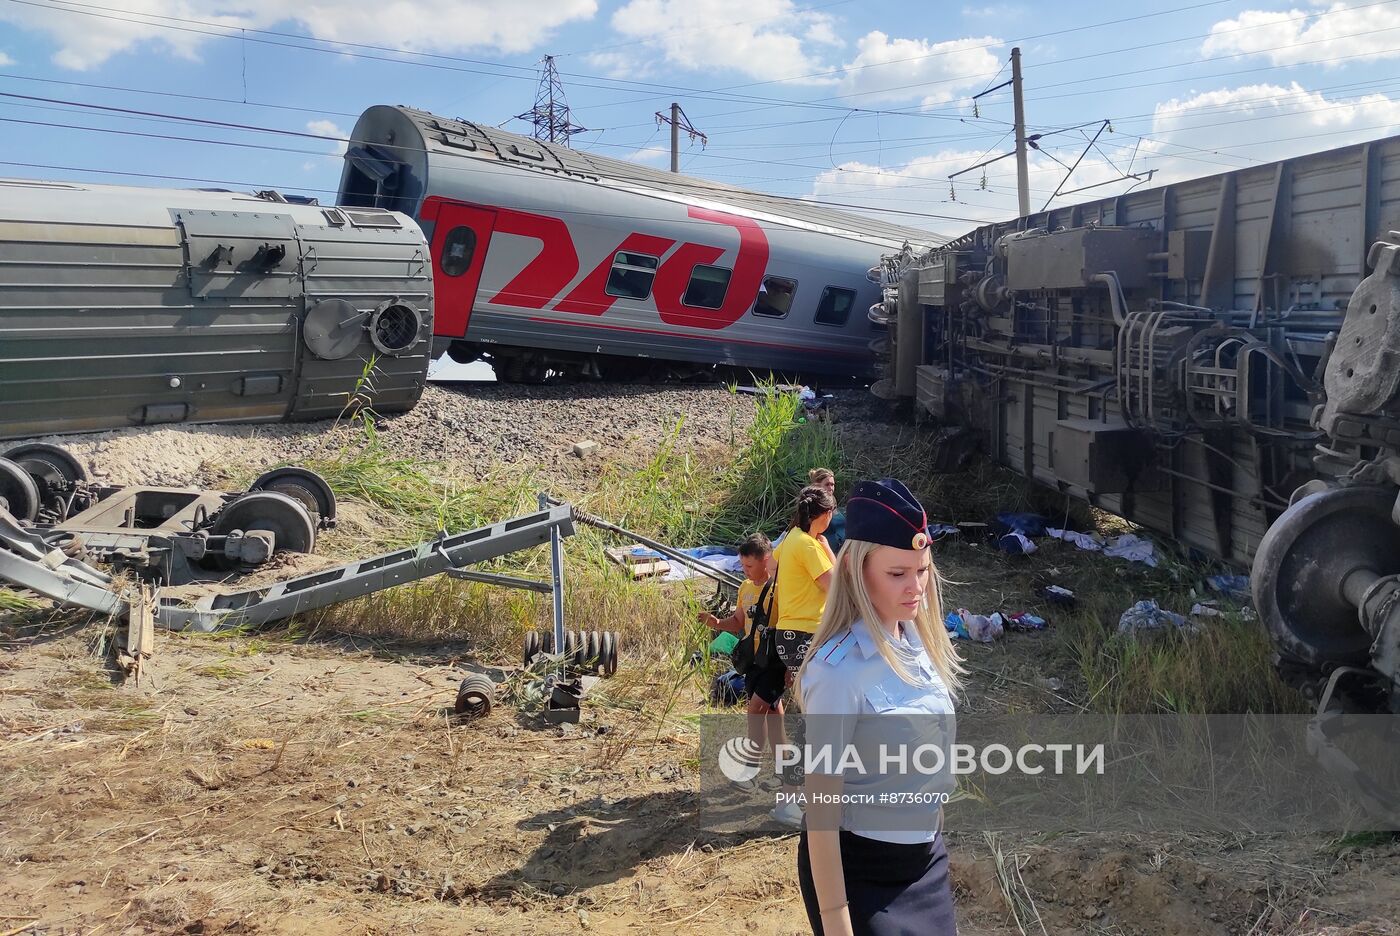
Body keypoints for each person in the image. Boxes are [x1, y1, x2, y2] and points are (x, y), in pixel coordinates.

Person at [795, 479, 965, 936]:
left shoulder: (919, 643)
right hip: (862, 870)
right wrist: (836, 921)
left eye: (923, 570)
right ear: (855, 571)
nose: (916, 587)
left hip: (925, 860)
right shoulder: (837, 672)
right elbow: (822, 810)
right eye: (897, 574)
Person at [769, 484, 838, 825]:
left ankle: (801, 794)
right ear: (823, 516)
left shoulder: (791, 539)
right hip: (805, 635)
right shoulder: (809, 544)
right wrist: (829, 550)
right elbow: (836, 586)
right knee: (813, 720)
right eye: (832, 513)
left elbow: (774, 565)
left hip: (792, 633)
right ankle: (789, 799)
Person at [809, 468, 846, 557]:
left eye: (832, 485)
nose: (830, 488)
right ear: (816, 485)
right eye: (827, 484)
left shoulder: (832, 500)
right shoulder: (811, 504)